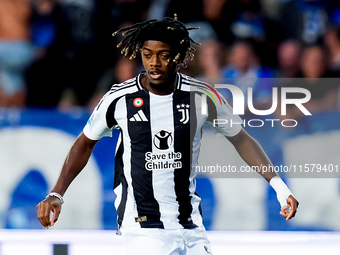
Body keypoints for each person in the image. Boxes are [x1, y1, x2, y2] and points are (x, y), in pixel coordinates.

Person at [36, 16, 299, 255]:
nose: (154, 62)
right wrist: (57, 194)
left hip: (191, 225)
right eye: (148, 54)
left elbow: (240, 138)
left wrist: (279, 187)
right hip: (143, 228)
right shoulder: (119, 99)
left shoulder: (203, 97)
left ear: (179, 56)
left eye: (163, 55)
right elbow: (85, 142)